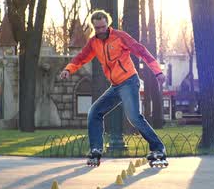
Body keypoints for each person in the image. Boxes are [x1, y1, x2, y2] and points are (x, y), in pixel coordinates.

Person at [59, 10, 167, 166]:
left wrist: (157, 72)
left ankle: (158, 148)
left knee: (134, 116)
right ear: (93, 27)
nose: (100, 31)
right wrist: (68, 69)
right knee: (94, 112)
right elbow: (81, 57)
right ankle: (96, 149)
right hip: (115, 86)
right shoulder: (93, 43)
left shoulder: (119, 37)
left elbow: (141, 51)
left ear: (107, 24)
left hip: (129, 81)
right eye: (97, 28)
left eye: (103, 27)